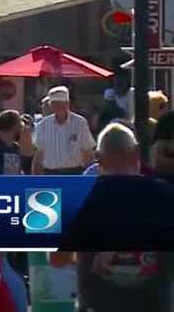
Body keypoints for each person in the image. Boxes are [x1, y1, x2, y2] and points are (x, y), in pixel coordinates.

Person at [53, 123, 174, 309]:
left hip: (98, 304)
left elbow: (58, 260)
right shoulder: (165, 194)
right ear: (136, 153)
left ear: (98, 159)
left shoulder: (80, 198)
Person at [32, 85, 95, 174]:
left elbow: (87, 151)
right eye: (55, 104)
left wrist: (90, 176)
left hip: (74, 173)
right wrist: (35, 178)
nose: (59, 107)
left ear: (67, 104)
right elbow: (38, 155)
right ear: (51, 105)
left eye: (61, 103)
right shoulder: (43, 125)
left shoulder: (80, 122)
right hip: (50, 174)